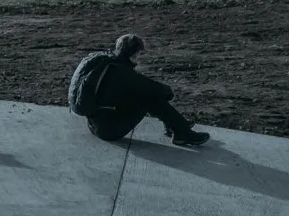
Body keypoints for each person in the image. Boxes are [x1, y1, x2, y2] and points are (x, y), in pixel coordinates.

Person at [68, 33, 209, 147]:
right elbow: (159, 90)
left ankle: (176, 126)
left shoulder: (104, 62)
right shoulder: (123, 73)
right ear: (135, 54)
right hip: (108, 130)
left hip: (94, 123)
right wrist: (167, 93)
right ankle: (182, 133)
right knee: (151, 98)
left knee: (146, 95)